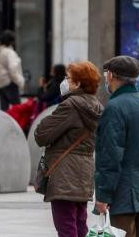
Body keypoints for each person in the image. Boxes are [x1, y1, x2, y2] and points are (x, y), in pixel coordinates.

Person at [34, 61, 104, 237]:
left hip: (65, 173)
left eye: (68, 78)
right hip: (84, 172)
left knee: (65, 225)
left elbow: (41, 135)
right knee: (80, 224)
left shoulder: (70, 106)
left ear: (78, 84)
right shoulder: (96, 106)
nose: (64, 81)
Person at [95, 56, 139, 237]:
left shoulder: (114, 108)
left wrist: (103, 196)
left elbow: (110, 157)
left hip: (121, 196)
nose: (106, 78)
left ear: (112, 75)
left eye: (107, 74)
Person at [0, 30, 25, 111]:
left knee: (4, 110)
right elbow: (13, 69)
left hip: (1, 83)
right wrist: (20, 81)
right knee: (18, 109)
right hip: (10, 83)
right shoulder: (10, 53)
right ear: (11, 41)